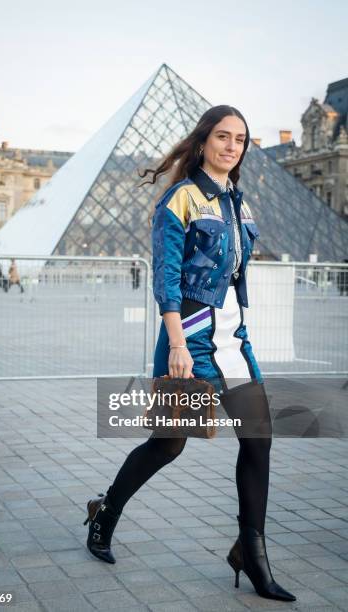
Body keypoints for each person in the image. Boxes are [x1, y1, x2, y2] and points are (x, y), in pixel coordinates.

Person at [83, 106, 296, 602]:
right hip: (190, 339)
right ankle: (104, 514)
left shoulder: (241, 205)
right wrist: (176, 344)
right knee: (168, 444)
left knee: (259, 439)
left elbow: (237, 277)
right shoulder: (180, 198)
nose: (231, 146)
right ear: (203, 142)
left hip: (234, 342)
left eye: (240, 139)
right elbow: (167, 276)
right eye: (222, 136)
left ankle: (252, 553)